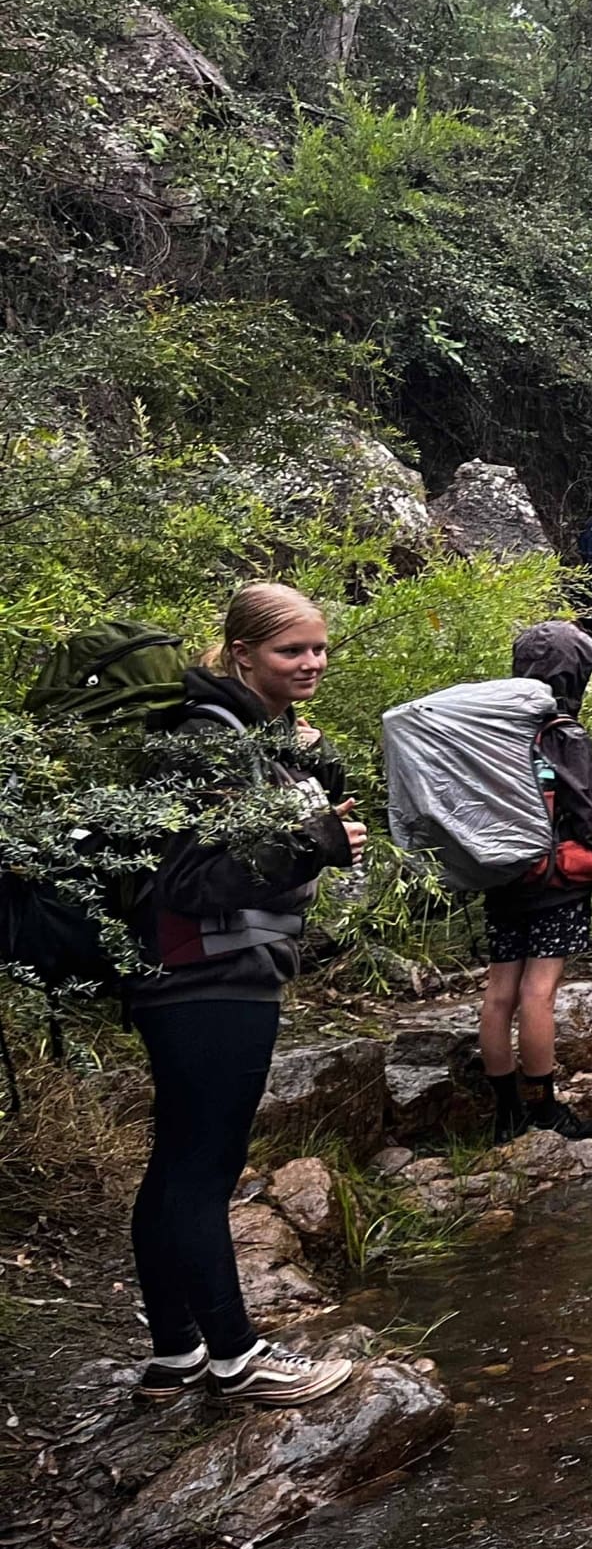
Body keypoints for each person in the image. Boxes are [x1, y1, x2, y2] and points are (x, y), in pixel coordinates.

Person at [126, 584, 364, 1408]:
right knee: (203, 1168)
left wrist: (310, 763)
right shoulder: (210, 737)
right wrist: (313, 846)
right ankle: (237, 1360)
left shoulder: (254, 734)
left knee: (176, 1167)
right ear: (240, 653)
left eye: (320, 648)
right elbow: (190, 880)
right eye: (291, 651)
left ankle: (173, 1355)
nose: (312, 663)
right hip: (204, 974)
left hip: (202, 974)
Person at [476, 623, 592, 1140]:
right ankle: (543, 1106)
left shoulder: (491, 725)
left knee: (500, 992)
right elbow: (588, 811)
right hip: (555, 878)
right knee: (538, 993)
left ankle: (504, 1113)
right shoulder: (561, 732)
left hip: (501, 874)